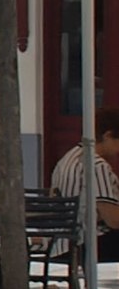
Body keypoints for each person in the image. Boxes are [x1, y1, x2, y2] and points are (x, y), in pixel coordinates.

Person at [50, 107, 119, 265]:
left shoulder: (67, 159)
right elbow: (113, 220)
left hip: (60, 243)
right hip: (85, 243)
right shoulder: (96, 165)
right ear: (107, 136)